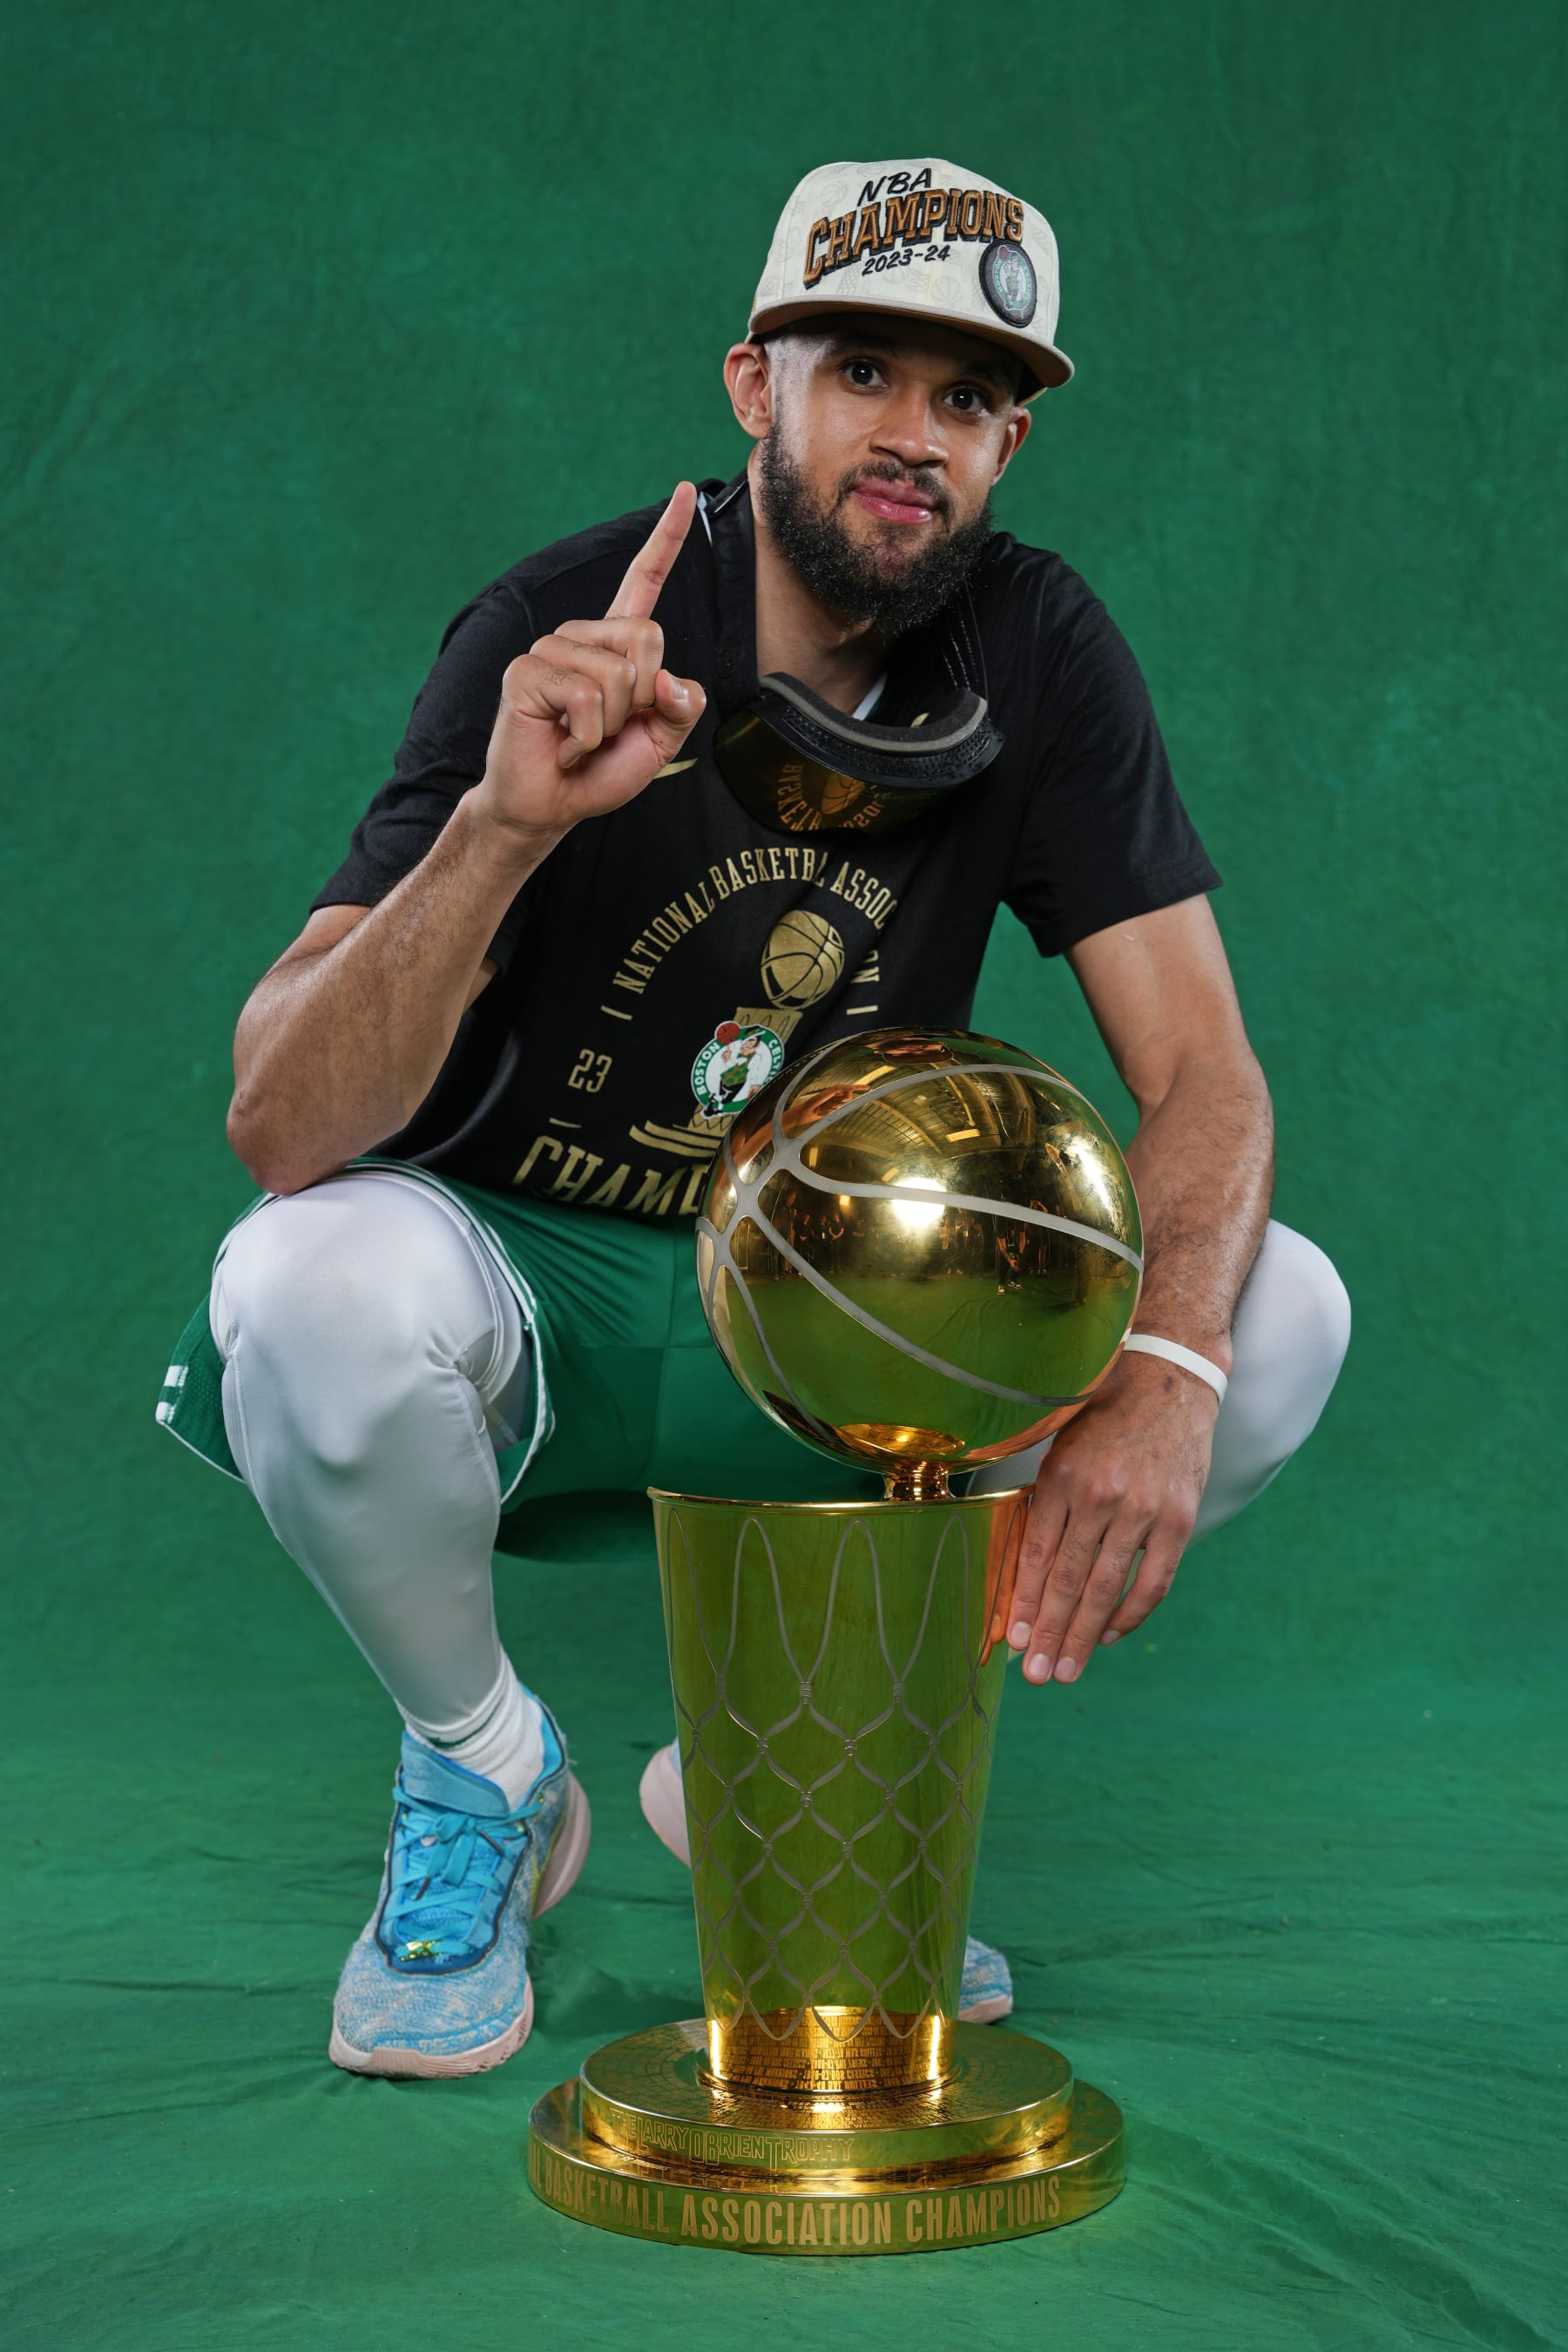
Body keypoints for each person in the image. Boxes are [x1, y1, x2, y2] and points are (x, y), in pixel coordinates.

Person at [158, 156, 1350, 2079]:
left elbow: (1206, 1073)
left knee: (1271, 1313)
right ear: (752, 385)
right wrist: (503, 827)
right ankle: (483, 1767)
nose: (914, 434)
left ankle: (799, 1760)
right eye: (861, 370)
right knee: (305, 1282)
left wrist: (1167, 1369)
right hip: (523, 1298)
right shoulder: (565, 619)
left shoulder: (1036, 646)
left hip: (824, 1319)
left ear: (1013, 442)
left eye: (968, 396)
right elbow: (278, 1122)